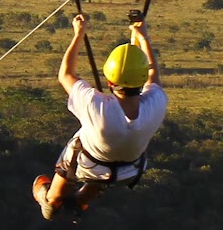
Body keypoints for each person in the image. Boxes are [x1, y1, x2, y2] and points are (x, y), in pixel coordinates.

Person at [34, 11, 166, 219]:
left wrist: (79, 34)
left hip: (86, 166)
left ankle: (51, 201)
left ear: (110, 82)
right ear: (140, 81)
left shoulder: (96, 105)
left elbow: (65, 75)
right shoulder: (157, 103)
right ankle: (80, 200)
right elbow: (154, 78)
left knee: (78, 152)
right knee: (104, 166)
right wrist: (143, 37)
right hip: (129, 171)